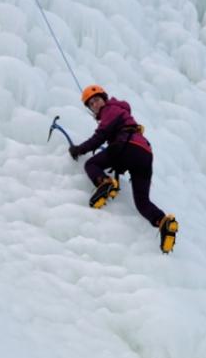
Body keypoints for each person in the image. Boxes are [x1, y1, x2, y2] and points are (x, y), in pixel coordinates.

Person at [69, 84, 178, 253]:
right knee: (142, 203)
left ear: (104, 99)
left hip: (127, 147)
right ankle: (164, 222)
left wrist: (78, 149)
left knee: (91, 164)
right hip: (145, 155)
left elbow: (99, 137)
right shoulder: (121, 112)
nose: (95, 105)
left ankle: (105, 183)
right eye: (91, 104)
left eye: (96, 100)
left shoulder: (110, 109)